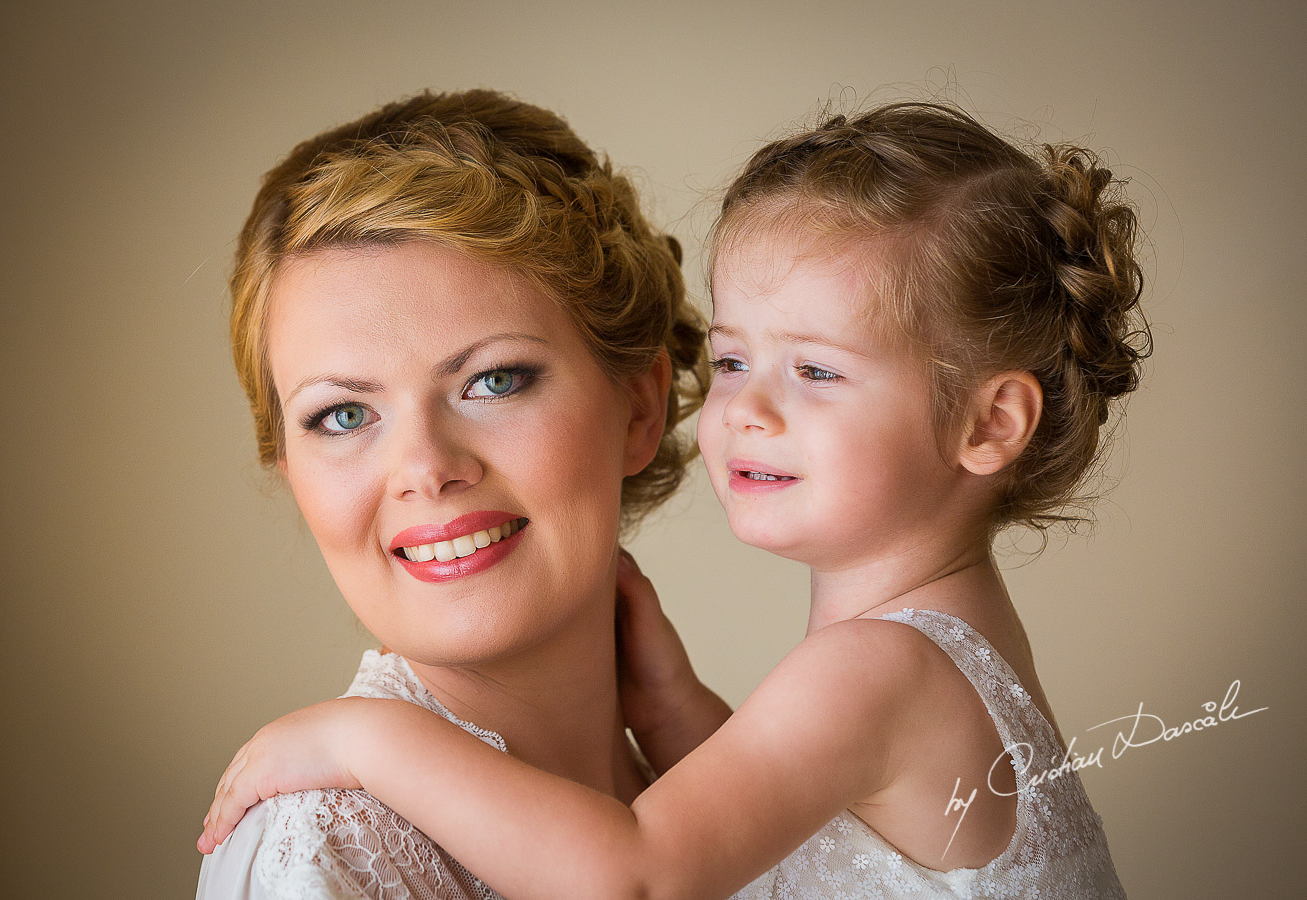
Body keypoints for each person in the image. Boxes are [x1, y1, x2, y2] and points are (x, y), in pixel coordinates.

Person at [201, 101, 1147, 899]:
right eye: (733, 361)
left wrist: (370, 738)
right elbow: (838, 845)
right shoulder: (950, 650)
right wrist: (678, 712)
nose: (744, 411)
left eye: (816, 369)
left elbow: (638, 880)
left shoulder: (878, 670)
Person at [194, 88, 713, 899]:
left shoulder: (722, 796)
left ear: (639, 408)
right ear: (292, 472)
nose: (425, 467)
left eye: (494, 380)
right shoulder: (321, 853)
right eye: (342, 414)